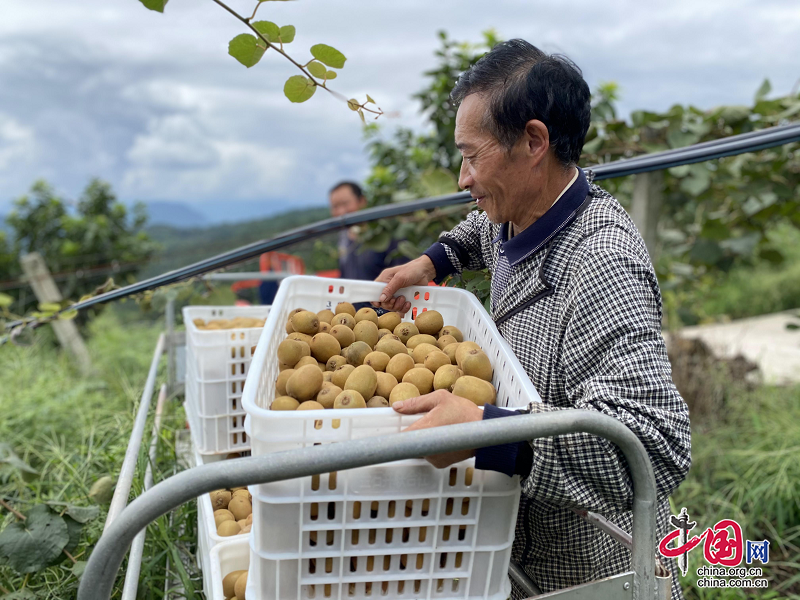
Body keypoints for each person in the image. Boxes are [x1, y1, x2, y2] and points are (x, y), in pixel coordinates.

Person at [375, 40, 691, 599]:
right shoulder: (521, 210)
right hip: (521, 542)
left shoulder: (603, 265)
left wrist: (492, 434)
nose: (463, 178)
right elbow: (484, 235)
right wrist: (433, 261)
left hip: (591, 568)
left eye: (472, 156)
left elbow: (654, 445)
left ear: (534, 142)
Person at [329, 181, 407, 281]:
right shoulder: (343, 236)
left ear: (362, 201)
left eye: (345, 203)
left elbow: (402, 274)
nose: (341, 211)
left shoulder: (385, 233)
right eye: (335, 206)